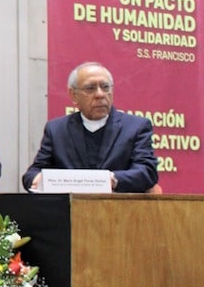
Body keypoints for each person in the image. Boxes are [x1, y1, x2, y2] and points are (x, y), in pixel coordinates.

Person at [22, 62, 158, 193]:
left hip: (120, 211)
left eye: (105, 87)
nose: (100, 94)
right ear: (73, 95)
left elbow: (147, 171)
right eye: (90, 88)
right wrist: (37, 179)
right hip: (69, 211)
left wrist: (112, 180)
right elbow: (32, 174)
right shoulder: (57, 129)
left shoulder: (136, 127)